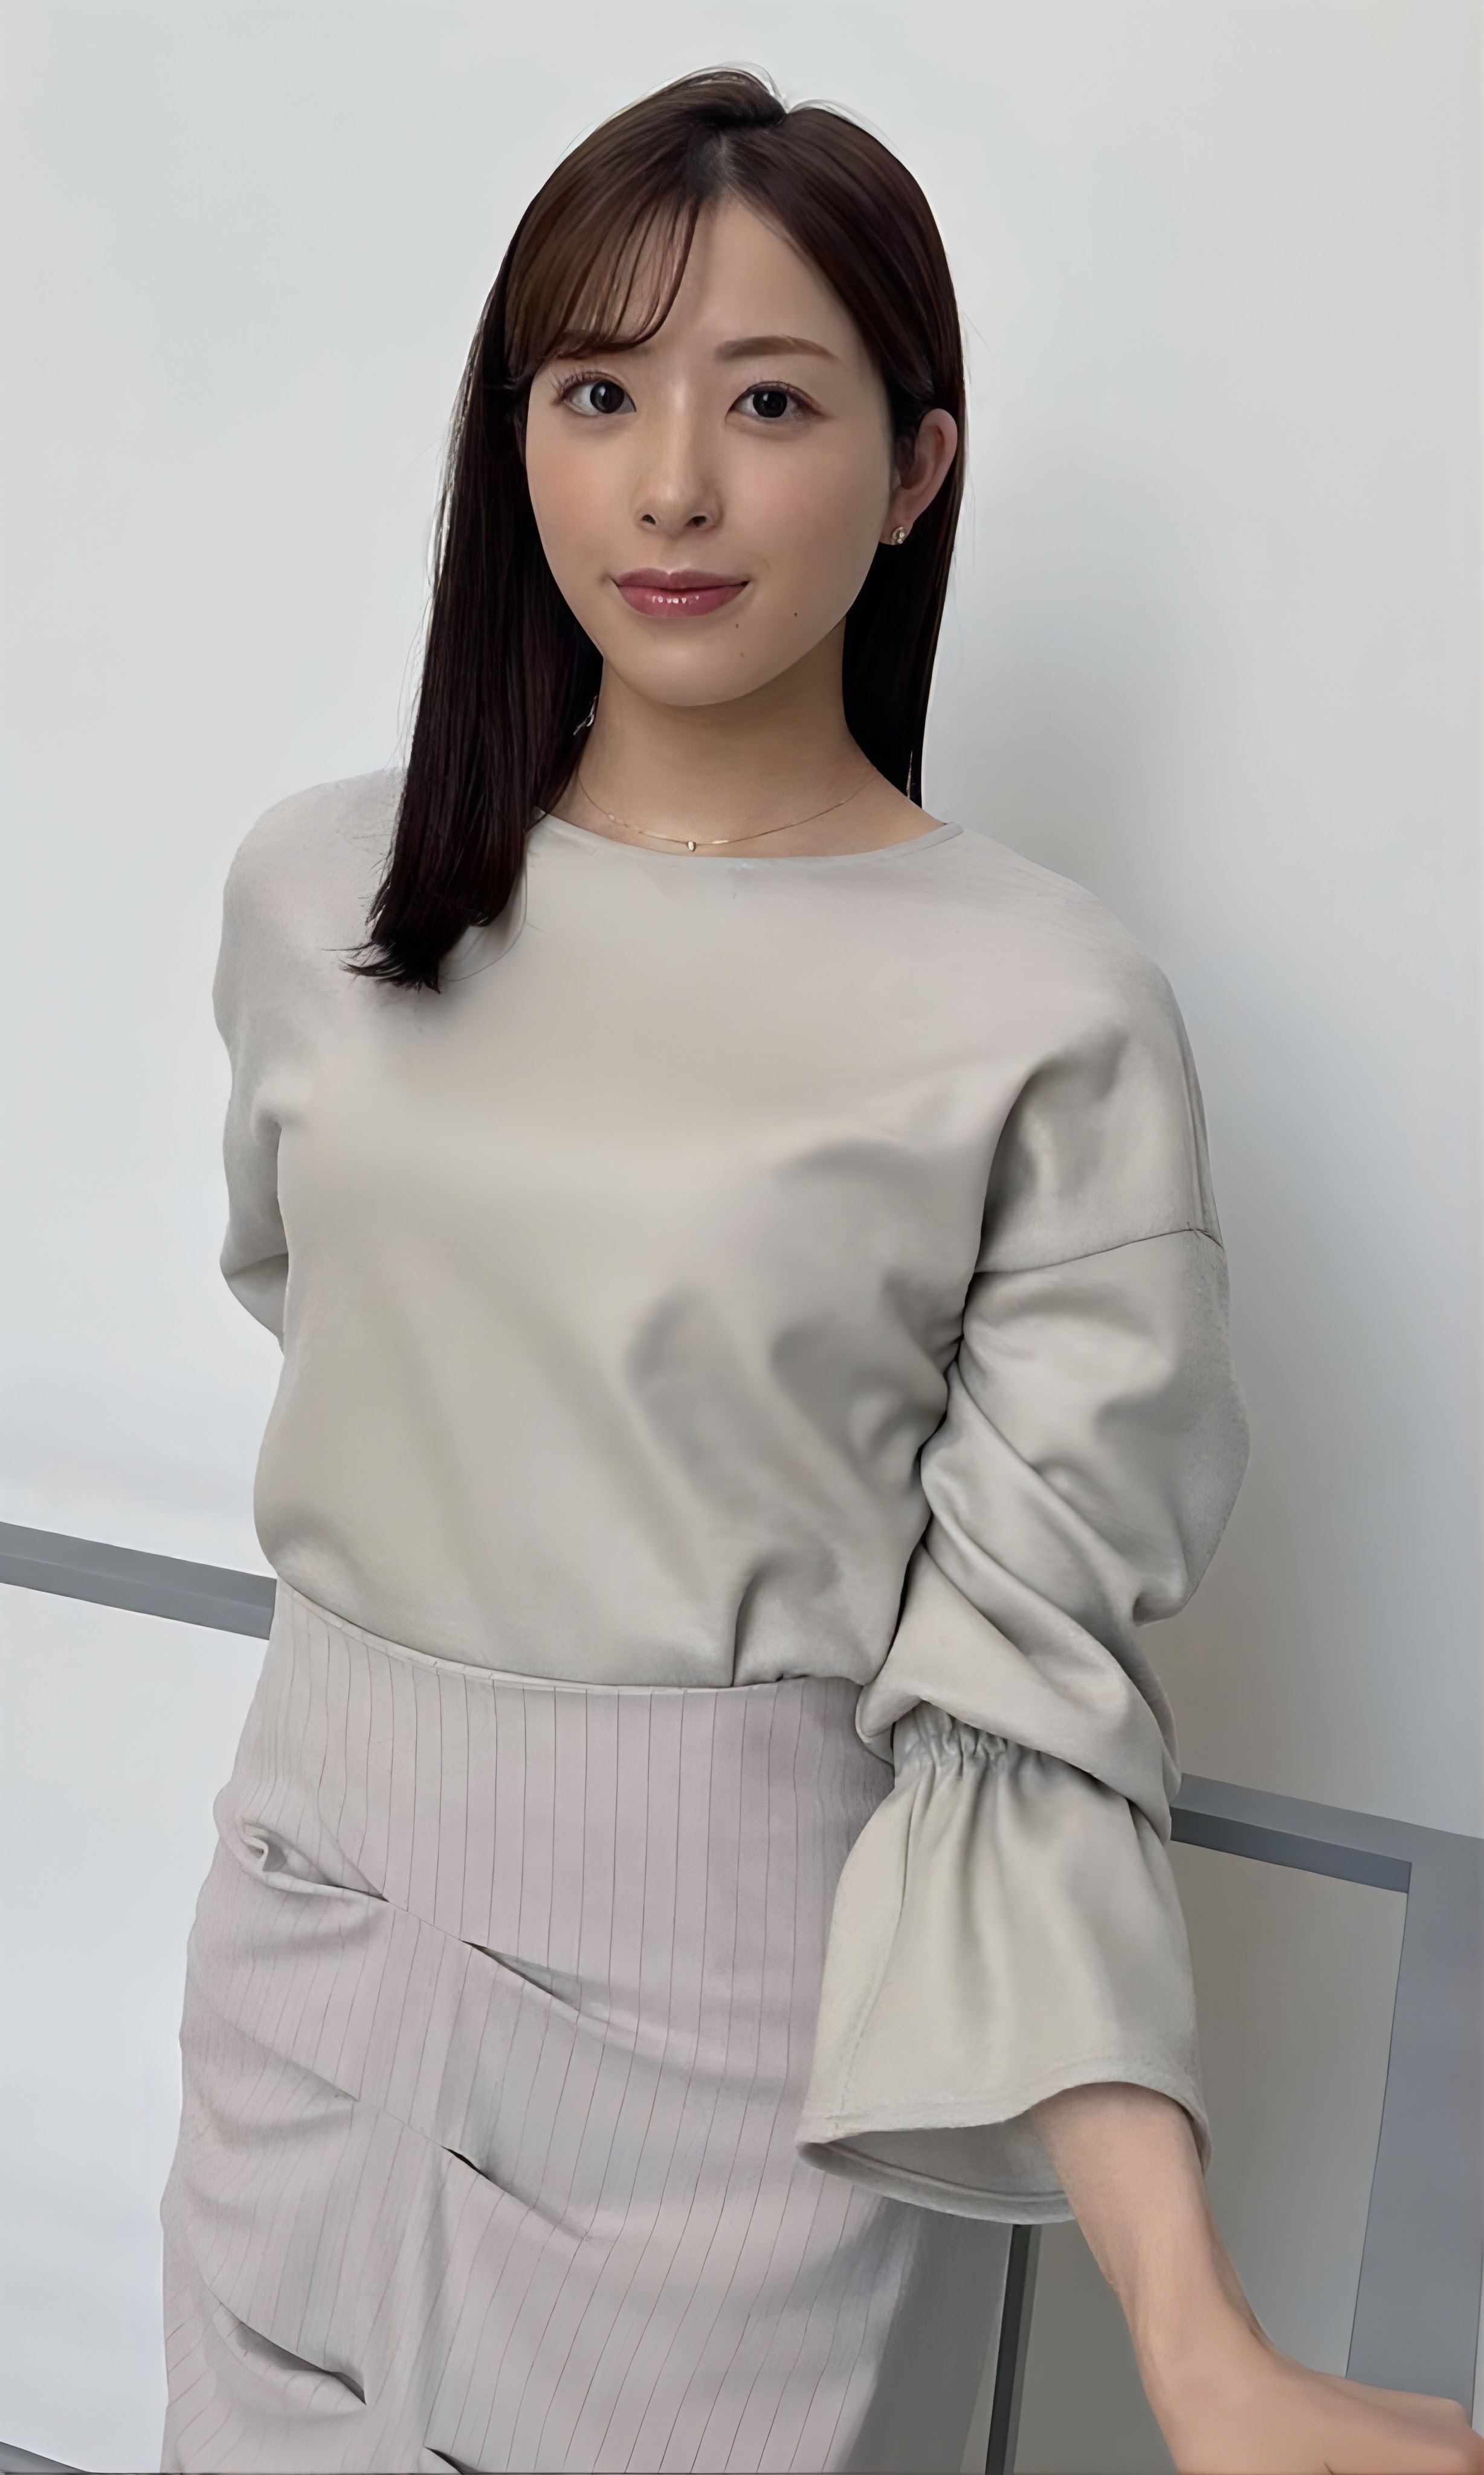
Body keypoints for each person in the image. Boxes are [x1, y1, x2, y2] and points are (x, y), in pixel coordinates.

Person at [159, 66, 1484, 2475]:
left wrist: (1193, 2337)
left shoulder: (1036, 1005)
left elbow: (1024, 1700)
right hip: (299, 1954)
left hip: (726, 2054)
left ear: (912, 469)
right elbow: (333, 1314)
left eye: (767, 402)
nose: (670, 484)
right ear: (513, 440)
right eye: (597, 393)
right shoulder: (319, 897)